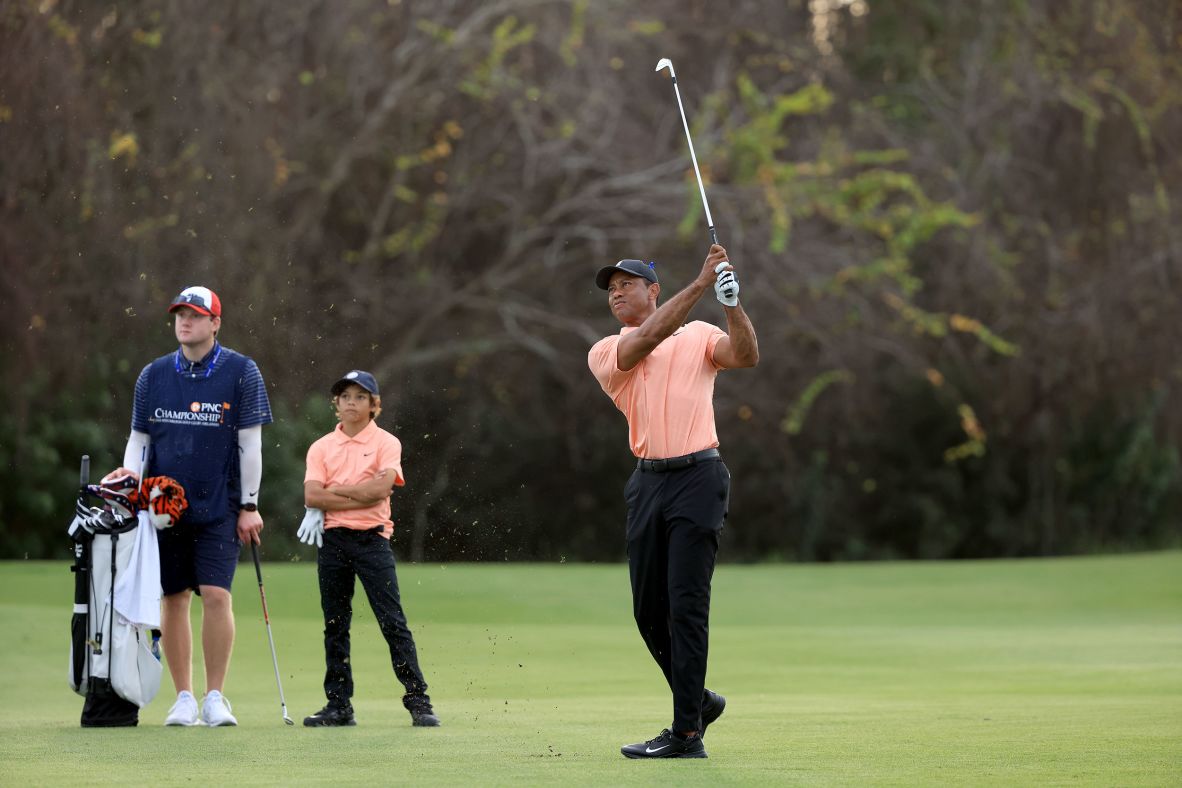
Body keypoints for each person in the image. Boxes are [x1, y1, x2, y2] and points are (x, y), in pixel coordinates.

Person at [588, 246, 759, 759]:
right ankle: (698, 700)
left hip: (699, 477)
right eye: (611, 287)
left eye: (627, 283)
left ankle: (686, 733)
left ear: (653, 290)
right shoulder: (606, 350)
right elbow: (651, 337)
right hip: (647, 482)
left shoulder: (703, 335)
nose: (616, 292)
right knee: (647, 611)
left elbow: (746, 355)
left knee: (686, 605)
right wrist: (704, 282)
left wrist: (731, 305)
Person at [107, 285, 272, 727]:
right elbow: (138, 443)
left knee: (217, 595)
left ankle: (215, 696)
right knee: (173, 597)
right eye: (181, 314)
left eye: (196, 315)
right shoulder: (154, 375)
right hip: (163, 506)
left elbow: (250, 444)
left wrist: (250, 505)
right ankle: (183, 698)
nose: (186, 321)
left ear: (215, 323)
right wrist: (130, 490)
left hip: (221, 504)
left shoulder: (242, 372)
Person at [297, 370, 439, 728]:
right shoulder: (322, 447)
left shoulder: (386, 443)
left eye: (360, 397)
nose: (352, 403)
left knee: (392, 623)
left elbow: (380, 491)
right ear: (337, 403)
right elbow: (312, 496)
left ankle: (418, 701)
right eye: (345, 396)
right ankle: (338, 706)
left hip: (372, 540)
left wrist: (336, 493)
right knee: (335, 624)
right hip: (333, 542)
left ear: (374, 404)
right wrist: (357, 491)